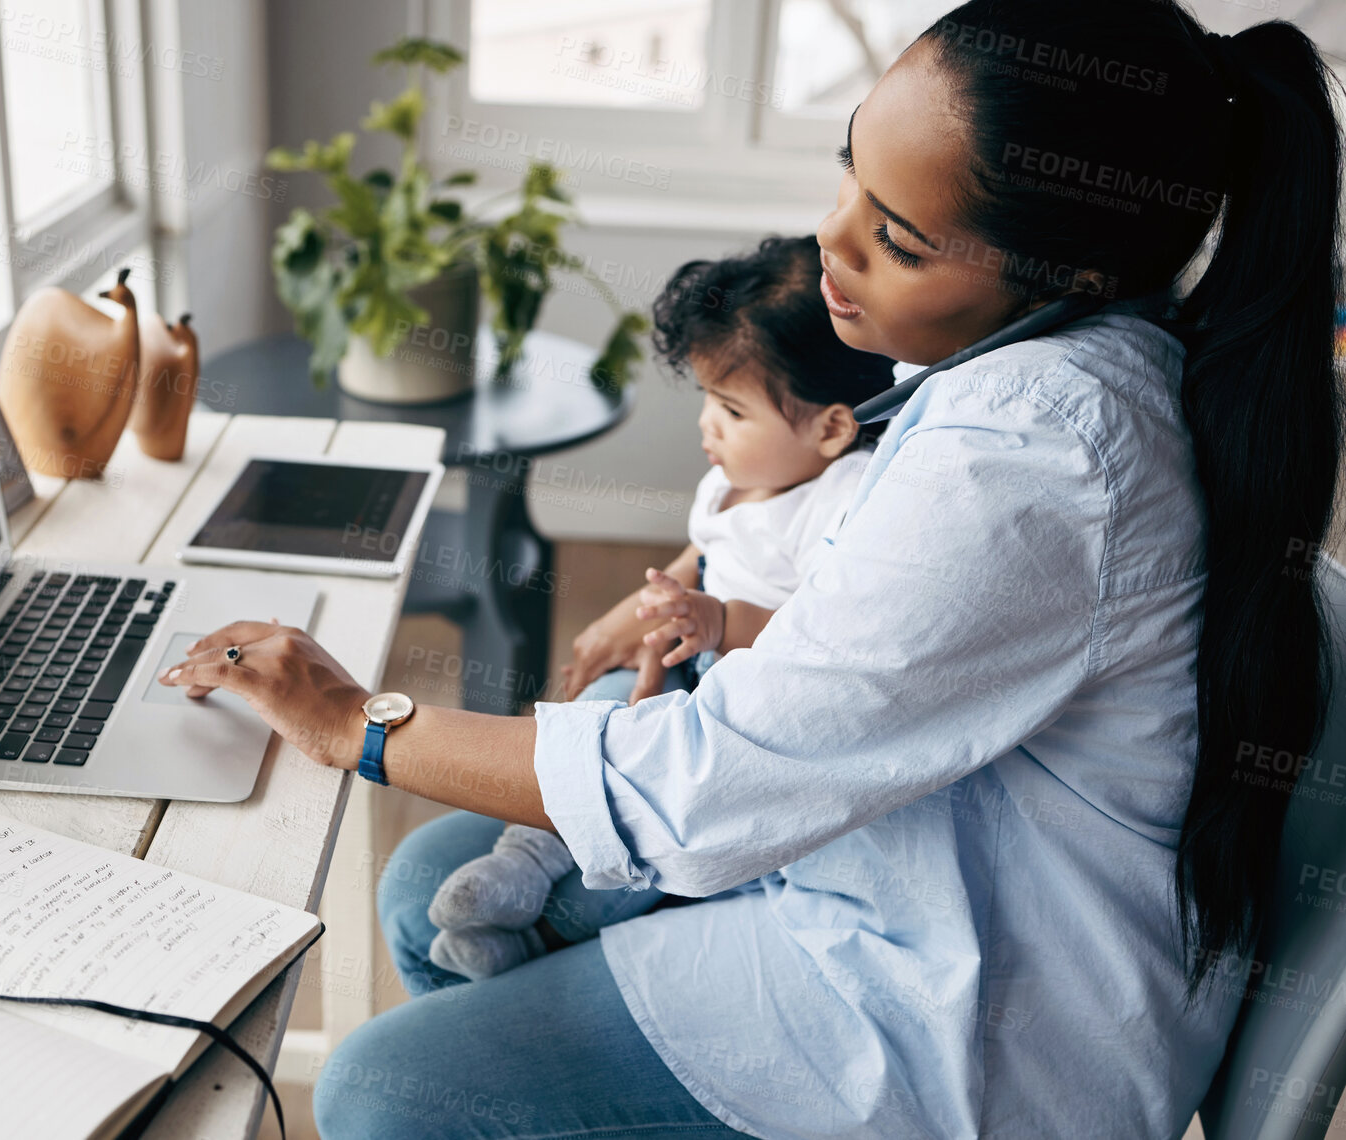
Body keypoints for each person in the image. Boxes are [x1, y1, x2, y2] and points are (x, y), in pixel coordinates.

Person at [159, 2, 1343, 1136]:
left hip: (980, 1022)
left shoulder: (1038, 456)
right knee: (433, 887)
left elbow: (705, 788)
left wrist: (355, 722)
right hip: (905, 862)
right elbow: (865, 643)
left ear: (1064, 277)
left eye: (899, 237)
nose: (830, 243)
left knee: (383, 1093)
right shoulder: (1025, 371)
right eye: (850, 176)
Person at [424, 236, 897, 982]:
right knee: (589, 732)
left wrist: (717, 621)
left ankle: (533, 940)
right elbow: (707, 548)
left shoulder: (841, 499)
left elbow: (821, 640)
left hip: (738, 718)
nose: (707, 425)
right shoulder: (741, 476)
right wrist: (661, 599)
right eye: (709, 400)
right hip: (681, 664)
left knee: (647, 843)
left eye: (732, 410)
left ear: (831, 428)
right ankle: (516, 864)